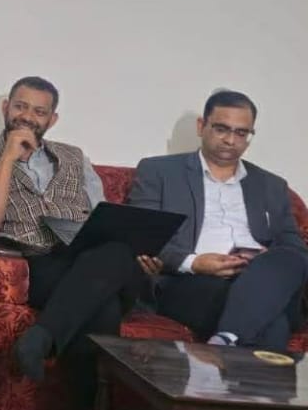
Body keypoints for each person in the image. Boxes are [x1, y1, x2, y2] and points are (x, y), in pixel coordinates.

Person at [0, 76, 143, 394]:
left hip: (91, 257)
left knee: (116, 252)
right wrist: (7, 159)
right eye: (20, 106)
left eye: (39, 111)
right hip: (40, 266)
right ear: (6, 108)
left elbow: (105, 220)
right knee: (104, 307)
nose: (27, 117)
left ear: (52, 120)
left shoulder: (76, 158)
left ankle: (40, 336)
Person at [129, 90, 308, 350]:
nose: (230, 140)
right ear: (201, 126)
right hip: (192, 283)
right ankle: (230, 338)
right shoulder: (159, 172)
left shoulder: (271, 185)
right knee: (273, 323)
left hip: (261, 276)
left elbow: (294, 246)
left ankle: (225, 338)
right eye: (222, 129)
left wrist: (261, 259)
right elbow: (143, 235)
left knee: (289, 257)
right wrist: (195, 263)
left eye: (241, 133)